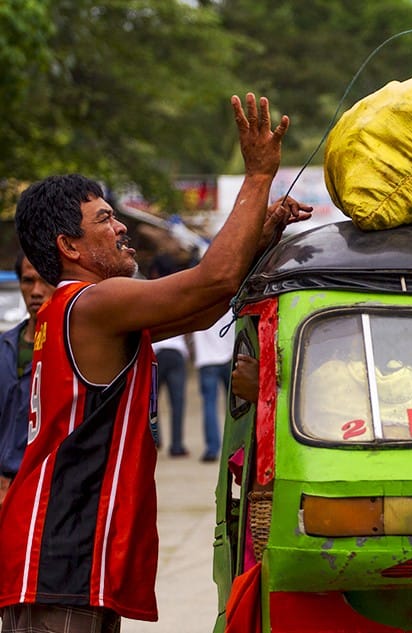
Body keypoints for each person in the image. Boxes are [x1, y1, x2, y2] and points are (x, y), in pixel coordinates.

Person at [0, 93, 312, 631]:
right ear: (69, 246)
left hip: (65, 563)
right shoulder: (91, 302)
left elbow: (206, 302)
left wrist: (259, 235)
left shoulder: (82, 312)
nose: (122, 227)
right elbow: (208, 282)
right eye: (104, 219)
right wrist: (258, 176)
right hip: (61, 562)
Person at [0, 252, 55, 507]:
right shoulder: (5, 346)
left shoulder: (72, 350)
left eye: (45, 281)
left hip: (50, 494)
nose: (35, 291)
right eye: (28, 281)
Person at [192, 312, 236, 462]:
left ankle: (212, 449)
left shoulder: (200, 304)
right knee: (234, 406)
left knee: (209, 405)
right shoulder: (229, 304)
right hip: (229, 357)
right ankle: (235, 448)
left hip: (206, 359)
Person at [152, 334, 190, 456]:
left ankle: (154, 439)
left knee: (152, 402)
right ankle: (177, 445)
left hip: (156, 354)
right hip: (176, 352)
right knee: (177, 404)